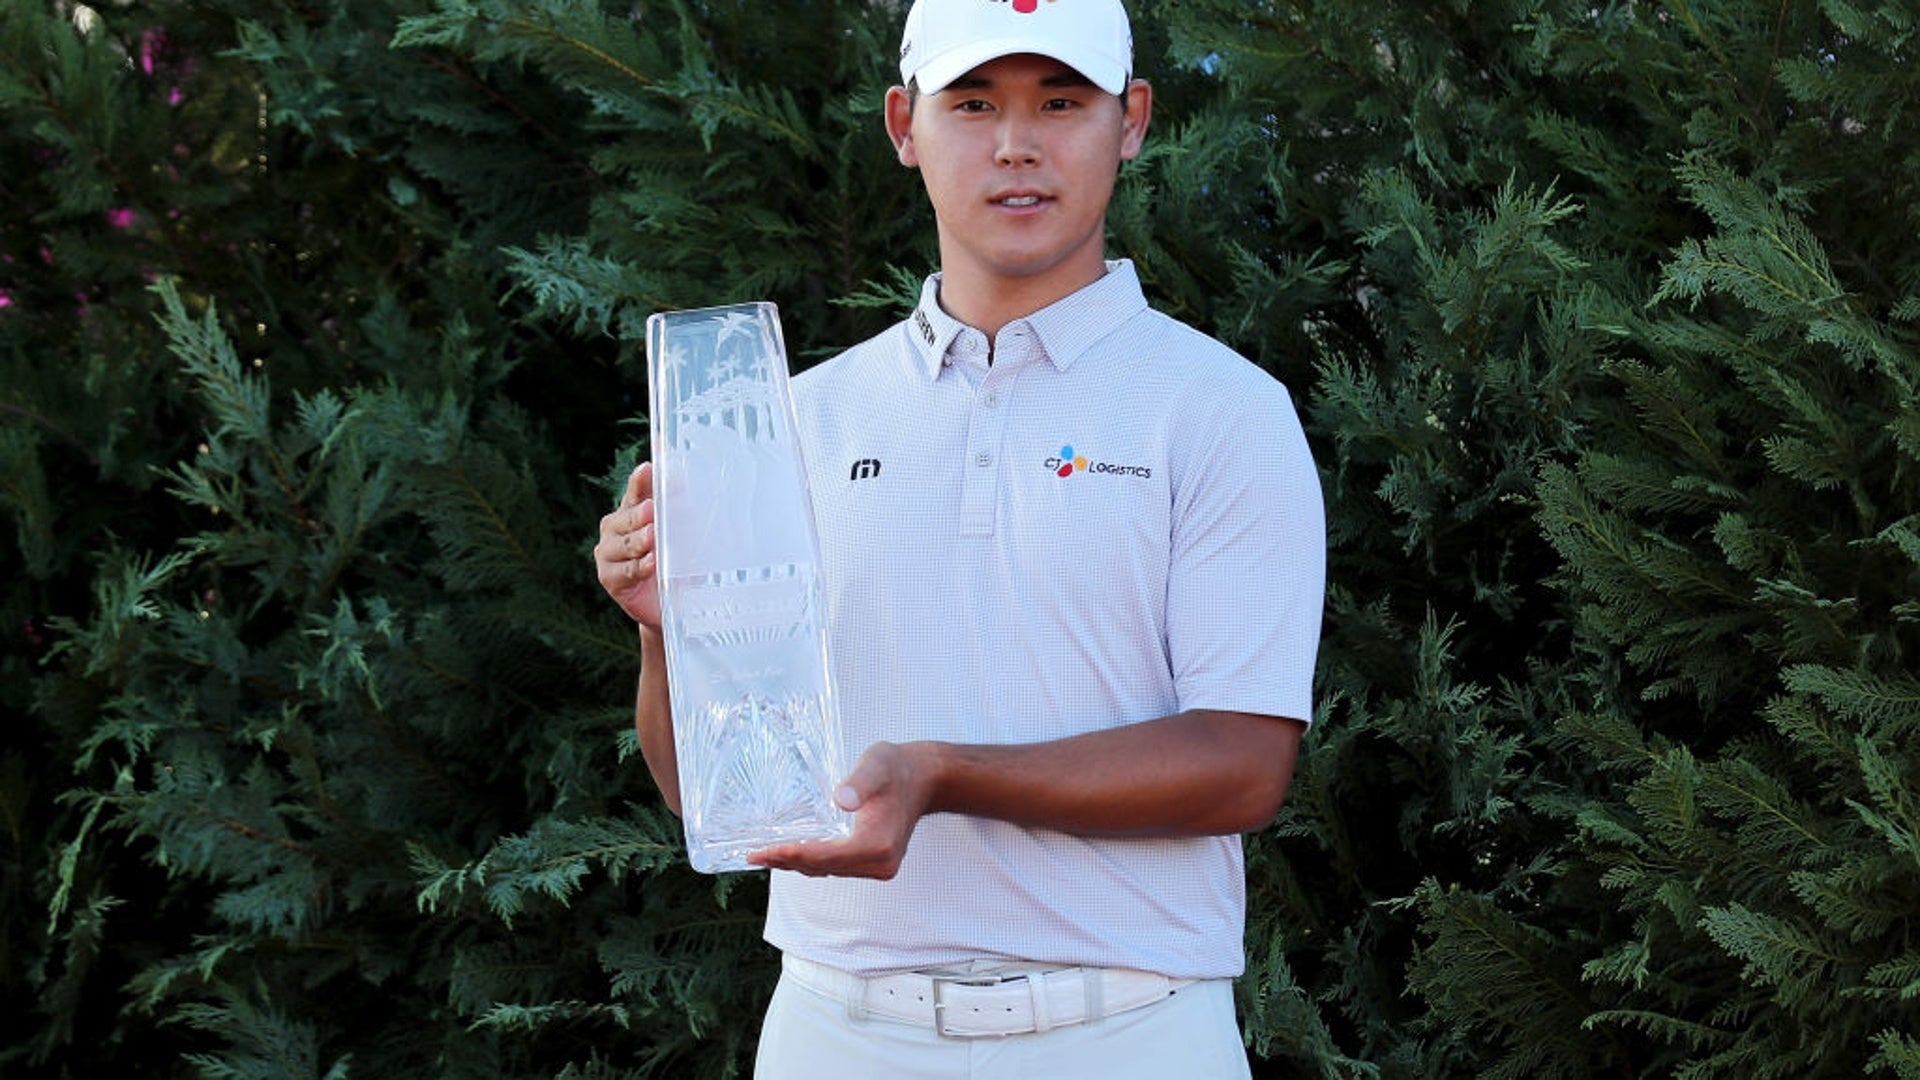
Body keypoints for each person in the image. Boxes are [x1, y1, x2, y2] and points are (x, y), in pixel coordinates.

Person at [594, 0, 1325, 1075]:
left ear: (1131, 120)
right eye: (973, 102)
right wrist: (666, 637)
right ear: (904, 124)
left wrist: (941, 774)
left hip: (1130, 1030)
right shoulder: (795, 417)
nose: (1017, 143)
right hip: (837, 1031)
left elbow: (1243, 766)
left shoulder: (1221, 409)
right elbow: (707, 795)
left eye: (1060, 102)